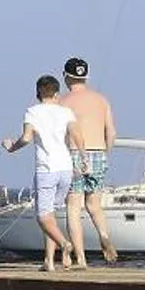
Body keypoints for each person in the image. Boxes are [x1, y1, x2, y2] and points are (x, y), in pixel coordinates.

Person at [2, 74, 80, 271]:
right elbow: (76, 135)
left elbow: (27, 138)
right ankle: (49, 261)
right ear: (57, 93)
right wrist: (84, 157)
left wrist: (11, 146)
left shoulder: (33, 112)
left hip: (47, 169)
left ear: (37, 93)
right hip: (66, 168)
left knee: (43, 218)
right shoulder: (66, 112)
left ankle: (64, 244)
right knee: (51, 216)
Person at [60, 57, 119, 264]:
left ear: (66, 77)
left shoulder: (63, 102)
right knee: (94, 205)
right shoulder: (101, 100)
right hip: (99, 152)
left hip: (75, 153)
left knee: (73, 207)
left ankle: (81, 258)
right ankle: (104, 235)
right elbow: (111, 132)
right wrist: (105, 153)